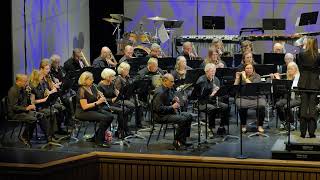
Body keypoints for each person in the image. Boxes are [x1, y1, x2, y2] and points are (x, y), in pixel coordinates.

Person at [153, 73, 193, 149]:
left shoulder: (169, 88)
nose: (173, 83)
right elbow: (158, 109)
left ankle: (182, 139)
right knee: (183, 119)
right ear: (165, 81)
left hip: (168, 113)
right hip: (160, 116)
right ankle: (177, 141)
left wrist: (174, 98)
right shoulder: (160, 92)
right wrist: (172, 107)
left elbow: (170, 98)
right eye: (171, 81)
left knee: (189, 116)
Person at [75, 71, 114, 147]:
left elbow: (94, 99)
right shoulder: (81, 90)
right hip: (83, 112)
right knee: (105, 118)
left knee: (110, 116)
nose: (92, 80)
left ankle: (96, 136)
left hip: (93, 109)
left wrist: (99, 97)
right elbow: (85, 106)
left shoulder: (92, 87)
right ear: (84, 80)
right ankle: (99, 141)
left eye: (92, 79)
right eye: (90, 79)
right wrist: (98, 102)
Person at [7, 74, 44, 147]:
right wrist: (26, 108)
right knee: (32, 119)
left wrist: (28, 95)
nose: (27, 83)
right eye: (25, 81)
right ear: (18, 81)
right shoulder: (13, 91)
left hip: (23, 111)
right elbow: (14, 107)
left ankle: (48, 137)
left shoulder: (23, 89)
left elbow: (26, 103)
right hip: (15, 114)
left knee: (40, 115)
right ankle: (25, 137)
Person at [98, 68, 133, 138]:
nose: (114, 78)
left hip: (112, 103)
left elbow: (116, 93)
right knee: (121, 111)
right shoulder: (100, 86)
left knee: (126, 109)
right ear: (107, 77)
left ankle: (121, 129)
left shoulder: (111, 83)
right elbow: (100, 99)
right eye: (112, 76)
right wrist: (111, 100)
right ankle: (123, 131)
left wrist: (118, 94)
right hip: (103, 105)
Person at [196, 63, 229, 135]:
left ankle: (221, 126)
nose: (213, 73)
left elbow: (219, 94)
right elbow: (201, 96)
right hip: (203, 103)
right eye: (211, 71)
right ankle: (210, 128)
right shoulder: (201, 81)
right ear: (206, 71)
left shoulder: (216, 79)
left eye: (214, 71)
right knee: (212, 108)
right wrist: (212, 94)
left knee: (225, 107)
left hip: (213, 101)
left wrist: (218, 93)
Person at [297, 37, 320, 138]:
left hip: (303, 83)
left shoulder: (301, 54)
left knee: (303, 107)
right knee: (312, 109)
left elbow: (300, 68)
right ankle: (311, 132)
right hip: (314, 84)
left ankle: (302, 132)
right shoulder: (318, 56)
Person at [234, 63, 266, 133]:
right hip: (243, 97)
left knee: (262, 105)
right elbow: (235, 88)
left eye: (250, 68)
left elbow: (252, 86)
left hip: (256, 97)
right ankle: (243, 125)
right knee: (241, 105)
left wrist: (245, 78)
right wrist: (237, 78)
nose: (249, 70)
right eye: (247, 68)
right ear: (244, 70)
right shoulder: (241, 76)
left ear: (253, 69)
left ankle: (260, 125)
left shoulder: (257, 76)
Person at [114, 62, 144, 128]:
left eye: (128, 70)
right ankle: (125, 123)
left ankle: (138, 123)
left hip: (127, 97)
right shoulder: (118, 79)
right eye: (126, 70)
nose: (128, 71)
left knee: (140, 104)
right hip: (121, 99)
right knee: (132, 105)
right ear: (122, 70)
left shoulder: (127, 78)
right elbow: (117, 92)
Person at [272, 62, 301, 130]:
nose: (289, 70)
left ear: (296, 69)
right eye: (288, 69)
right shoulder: (288, 78)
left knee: (286, 106)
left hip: (297, 98)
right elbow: (282, 90)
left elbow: (293, 88)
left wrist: (280, 80)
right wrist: (276, 80)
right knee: (278, 104)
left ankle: (291, 123)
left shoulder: (299, 77)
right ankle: (283, 121)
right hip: (288, 98)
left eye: (291, 69)